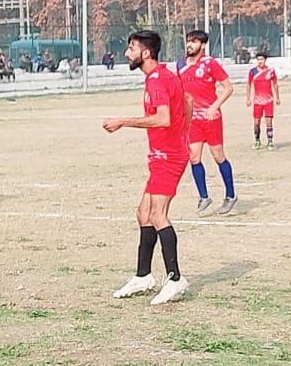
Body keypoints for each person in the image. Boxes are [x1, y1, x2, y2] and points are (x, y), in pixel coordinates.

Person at [104, 30, 192, 305]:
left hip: (169, 157)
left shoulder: (156, 80)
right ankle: (143, 276)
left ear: (145, 53)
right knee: (143, 214)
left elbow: (163, 119)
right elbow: (187, 102)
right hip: (163, 155)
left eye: (131, 48)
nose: (127, 53)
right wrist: (184, 134)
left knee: (157, 215)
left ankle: (175, 278)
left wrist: (123, 121)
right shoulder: (164, 76)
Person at [176, 30, 236, 216]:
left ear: (202, 45)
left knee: (218, 156)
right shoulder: (180, 65)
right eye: (188, 41)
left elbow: (228, 88)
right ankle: (204, 197)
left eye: (194, 41)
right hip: (192, 120)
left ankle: (230, 195)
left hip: (211, 118)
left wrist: (214, 106)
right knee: (194, 157)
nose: (190, 44)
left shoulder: (210, 63)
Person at [247, 53, 279, 150]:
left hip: (269, 100)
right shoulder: (252, 72)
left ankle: (270, 142)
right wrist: (248, 98)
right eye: (258, 59)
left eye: (262, 59)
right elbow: (248, 84)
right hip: (257, 101)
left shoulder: (271, 71)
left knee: (269, 122)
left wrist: (277, 97)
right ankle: (257, 141)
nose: (260, 61)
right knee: (257, 122)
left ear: (265, 60)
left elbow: (275, 83)